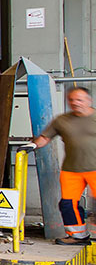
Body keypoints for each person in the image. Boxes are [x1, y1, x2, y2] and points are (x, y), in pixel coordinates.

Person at [29, 86, 96, 245]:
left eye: (79, 100)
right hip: (71, 170)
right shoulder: (62, 120)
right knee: (67, 204)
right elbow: (45, 138)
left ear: (89, 101)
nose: (75, 103)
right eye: (72, 100)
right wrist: (31, 146)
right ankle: (78, 236)